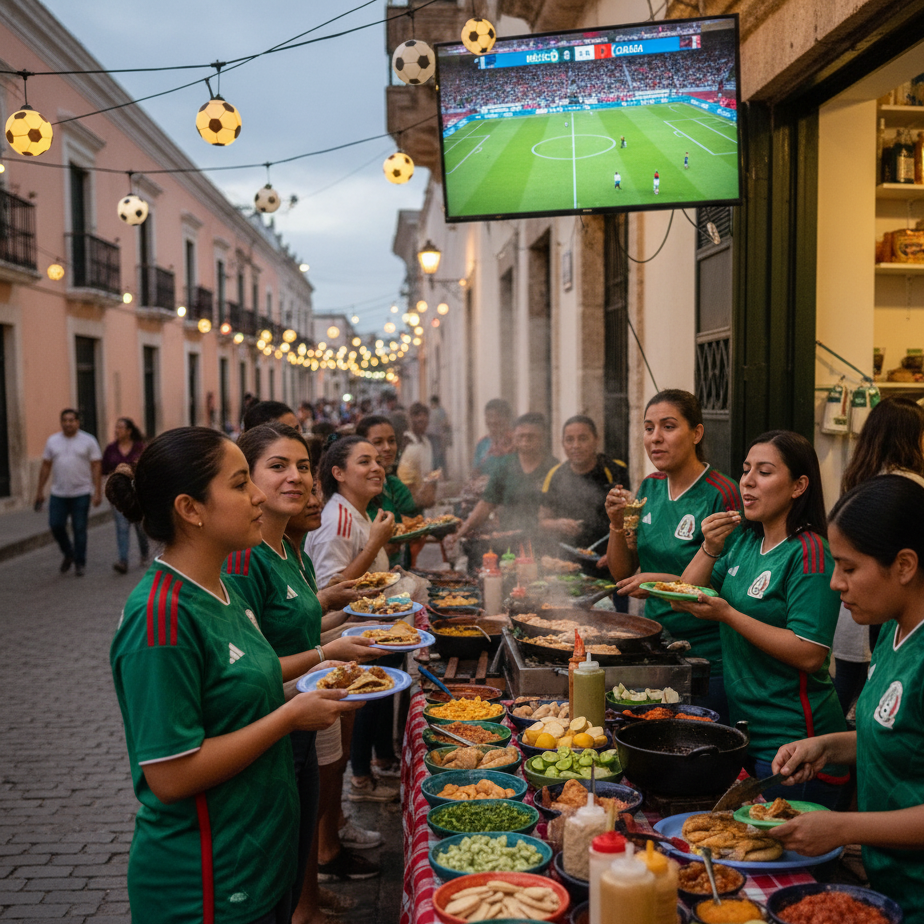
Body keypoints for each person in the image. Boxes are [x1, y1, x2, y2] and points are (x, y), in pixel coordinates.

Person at [107, 426, 362, 924]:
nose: (257, 498)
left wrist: (325, 658)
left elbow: (258, 672)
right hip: (207, 884)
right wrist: (290, 717)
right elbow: (171, 774)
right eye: (241, 483)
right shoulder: (160, 617)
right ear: (190, 509)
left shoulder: (224, 588)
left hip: (260, 860)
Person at [225, 423, 378, 919]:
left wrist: (342, 632)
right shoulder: (244, 562)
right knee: (273, 860)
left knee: (299, 834)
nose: (298, 480)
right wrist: (330, 654)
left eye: (303, 467)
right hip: (273, 721)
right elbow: (253, 662)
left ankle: (306, 907)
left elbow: (302, 627)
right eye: (278, 467)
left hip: (300, 714)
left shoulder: (289, 548)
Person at [770, 475, 924, 922]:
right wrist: (829, 746)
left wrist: (841, 828)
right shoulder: (894, 630)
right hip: (891, 887)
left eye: (849, 568)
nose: (836, 583)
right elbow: (903, 738)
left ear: (905, 564)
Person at [675, 430, 849, 809]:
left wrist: (729, 614)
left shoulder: (810, 553)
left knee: (792, 863)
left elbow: (810, 653)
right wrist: (710, 546)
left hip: (798, 746)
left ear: (799, 486)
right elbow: (684, 598)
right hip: (749, 734)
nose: (748, 481)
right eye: (745, 469)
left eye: (765, 472)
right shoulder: (745, 541)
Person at [606, 390, 740, 718]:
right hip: (657, 646)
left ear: (696, 433)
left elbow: (730, 584)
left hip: (709, 657)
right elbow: (622, 573)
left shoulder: (722, 493)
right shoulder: (650, 487)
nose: (656, 438)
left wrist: (660, 582)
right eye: (649, 428)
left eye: (668, 427)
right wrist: (615, 524)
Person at [833, 397, 924, 718]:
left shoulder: (859, 479)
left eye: (847, 567)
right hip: (878, 616)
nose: (834, 582)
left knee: (854, 687)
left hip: (869, 618)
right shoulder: (909, 488)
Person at [454, 413, 557, 547]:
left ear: (543, 438)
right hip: (508, 541)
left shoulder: (554, 468)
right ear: (514, 437)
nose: (525, 441)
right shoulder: (505, 465)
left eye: (531, 437)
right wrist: (461, 531)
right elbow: (486, 504)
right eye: (521, 436)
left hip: (543, 542)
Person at [540, 415, 629, 555]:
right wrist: (558, 524)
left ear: (596, 440)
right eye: (569, 440)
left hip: (608, 556)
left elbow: (629, 519)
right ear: (562, 443)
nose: (576, 446)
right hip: (566, 557)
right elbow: (542, 521)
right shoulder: (555, 475)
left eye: (583, 439)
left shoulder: (615, 470)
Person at [34, 408, 102, 577]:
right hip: (58, 493)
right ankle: (68, 552)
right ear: (61, 422)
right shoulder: (52, 441)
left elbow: (96, 466)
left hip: (82, 492)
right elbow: (46, 466)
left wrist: (98, 492)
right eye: (65, 420)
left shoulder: (89, 441)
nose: (68, 423)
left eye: (71, 420)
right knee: (55, 525)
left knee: (79, 528)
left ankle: (80, 562)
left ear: (77, 422)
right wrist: (39, 491)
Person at [102, 417, 149, 574]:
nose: (117, 430)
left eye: (120, 427)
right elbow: (104, 470)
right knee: (121, 527)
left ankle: (144, 552)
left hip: (139, 494)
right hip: (119, 495)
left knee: (140, 527)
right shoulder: (111, 449)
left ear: (129, 431)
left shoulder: (139, 448)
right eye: (116, 427)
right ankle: (123, 560)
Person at [396, 402, 438, 509]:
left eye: (425, 420)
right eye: (418, 419)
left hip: (423, 500)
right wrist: (415, 500)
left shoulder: (426, 442)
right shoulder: (407, 442)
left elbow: (430, 470)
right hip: (410, 501)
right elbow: (404, 479)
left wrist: (431, 492)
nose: (422, 422)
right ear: (410, 420)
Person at [472, 398, 514, 477]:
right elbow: (476, 471)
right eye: (490, 416)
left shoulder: (515, 442)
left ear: (507, 418)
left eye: (498, 416)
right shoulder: (482, 443)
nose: (493, 421)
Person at [427, 395, 451, 474]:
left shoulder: (429, 411)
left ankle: (436, 472)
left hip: (430, 436)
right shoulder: (440, 411)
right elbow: (445, 423)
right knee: (439, 455)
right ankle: (442, 473)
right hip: (438, 436)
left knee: (434, 455)